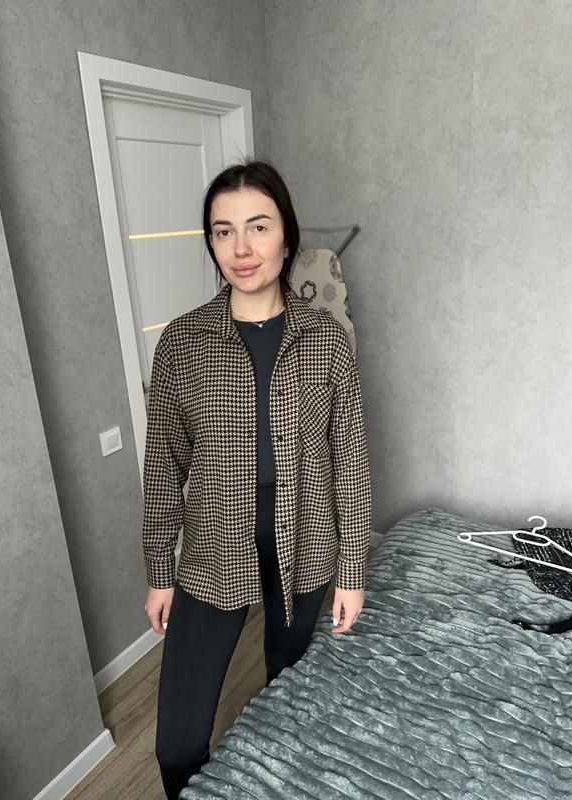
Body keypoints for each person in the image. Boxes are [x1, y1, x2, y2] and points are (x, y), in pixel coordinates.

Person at [142, 158, 372, 798]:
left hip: (306, 538)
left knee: (286, 690)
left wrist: (351, 571)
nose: (241, 249)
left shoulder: (327, 341)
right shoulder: (182, 343)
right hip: (214, 544)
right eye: (224, 231)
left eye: (258, 227)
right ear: (212, 243)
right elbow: (163, 466)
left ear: (287, 238)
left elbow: (350, 464)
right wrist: (159, 568)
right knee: (177, 741)